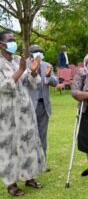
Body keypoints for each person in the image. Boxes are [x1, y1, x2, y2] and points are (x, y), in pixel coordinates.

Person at [0, 31, 46, 196]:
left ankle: (29, 177)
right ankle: (11, 184)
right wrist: (20, 71)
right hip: (7, 113)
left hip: (25, 110)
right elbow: (3, 87)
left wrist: (33, 72)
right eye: (9, 40)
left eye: (14, 39)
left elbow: (31, 83)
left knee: (28, 142)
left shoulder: (18, 60)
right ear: (1, 44)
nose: (13, 42)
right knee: (10, 147)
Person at [27, 44, 58, 172]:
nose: (38, 53)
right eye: (35, 51)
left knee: (42, 136)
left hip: (43, 105)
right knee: (29, 136)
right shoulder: (24, 65)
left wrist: (48, 76)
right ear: (30, 54)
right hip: (28, 106)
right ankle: (30, 165)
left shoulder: (47, 65)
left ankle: (42, 164)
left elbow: (55, 82)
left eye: (40, 51)